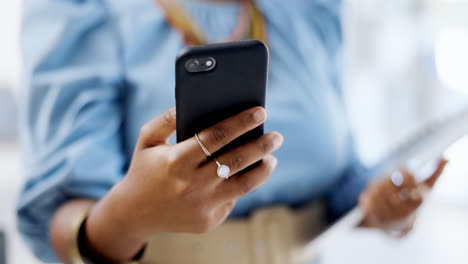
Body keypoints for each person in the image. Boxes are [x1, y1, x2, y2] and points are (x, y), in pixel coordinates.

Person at [17, 0, 448, 263]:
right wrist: (126, 219)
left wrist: (378, 203)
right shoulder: (83, 8)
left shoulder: (310, 8)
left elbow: (338, 176)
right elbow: (56, 213)